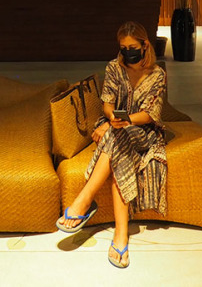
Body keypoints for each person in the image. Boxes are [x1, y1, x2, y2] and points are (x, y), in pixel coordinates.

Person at [55, 20, 167, 269]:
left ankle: (84, 201)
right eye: (123, 47)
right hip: (118, 129)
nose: (127, 52)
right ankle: (121, 234)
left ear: (144, 45)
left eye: (132, 47)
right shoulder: (115, 68)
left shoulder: (157, 74)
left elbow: (151, 114)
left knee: (117, 136)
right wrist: (112, 119)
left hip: (144, 132)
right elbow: (107, 103)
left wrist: (125, 121)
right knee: (119, 143)